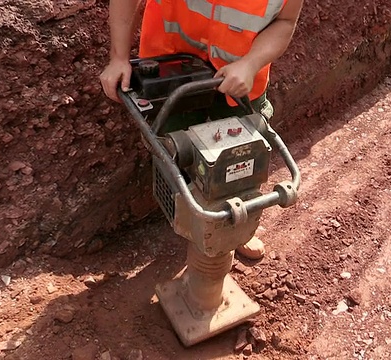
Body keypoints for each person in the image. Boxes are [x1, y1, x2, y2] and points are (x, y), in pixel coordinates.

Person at [99, 0, 303, 260]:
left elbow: (285, 22)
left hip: (240, 81)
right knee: (175, 152)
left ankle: (236, 226)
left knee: (239, 159)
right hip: (170, 71)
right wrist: (118, 57)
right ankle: (190, 225)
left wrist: (251, 63)